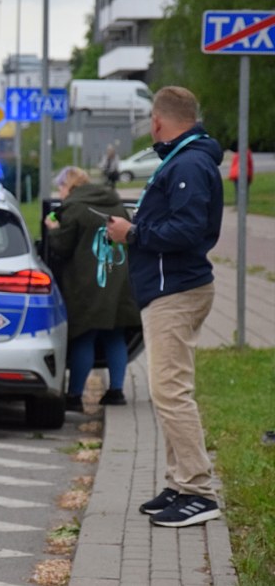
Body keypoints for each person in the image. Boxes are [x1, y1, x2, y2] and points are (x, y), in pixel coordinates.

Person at [106, 85, 224, 528]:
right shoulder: (187, 159)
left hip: (175, 290)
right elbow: (176, 222)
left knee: (170, 392)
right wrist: (136, 225)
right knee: (169, 390)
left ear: (158, 121)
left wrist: (132, 234)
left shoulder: (189, 164)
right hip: (171, 287)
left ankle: (198, 490)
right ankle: (178, 482)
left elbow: (188, 229)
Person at [44, 166, 140, 413]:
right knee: (115, 335)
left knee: (84, 336)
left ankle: (75, 396)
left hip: (86, 282)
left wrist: (52, 229)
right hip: (117, 280)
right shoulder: (115, 204)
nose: (60, 193)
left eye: (61, 187)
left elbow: (62, 248)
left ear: (71, 186)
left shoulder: (74, 208)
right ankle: (116, 391)